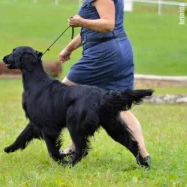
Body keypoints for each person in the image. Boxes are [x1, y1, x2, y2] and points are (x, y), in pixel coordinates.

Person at [58, 0, 151, 168]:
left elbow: (107, 25)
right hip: (118, 51)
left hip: (102, 55)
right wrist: (69, 48)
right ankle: (144, 156)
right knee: (121, 108)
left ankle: (76, 147)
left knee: (63, 95)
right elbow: (91, 30)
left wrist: (81, 21)